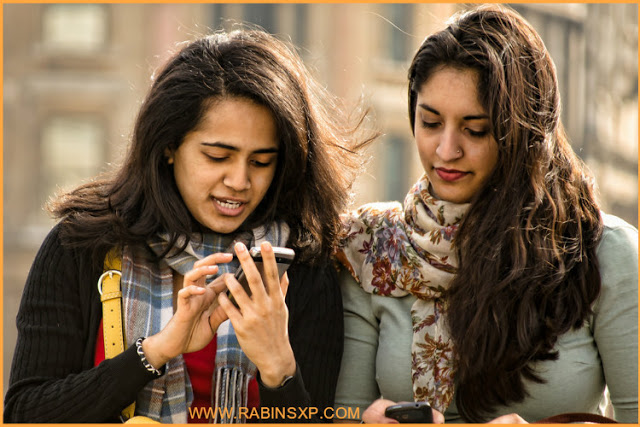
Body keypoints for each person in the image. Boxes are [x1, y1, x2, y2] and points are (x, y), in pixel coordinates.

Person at [5, 29, 375, 423]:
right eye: (218, 156)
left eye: (261, 161)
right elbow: (25, 413)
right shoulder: (81, 245)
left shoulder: (300, 271)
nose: (240, 181)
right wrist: (156, 352)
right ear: (169, 147)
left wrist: (278, 367)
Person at [334, 4, 637, 424]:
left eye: (475, 130)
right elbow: (342, 412)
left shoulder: (602, 252)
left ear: (524, 132)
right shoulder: (371, 247)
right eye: (430, 122)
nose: (446, 151)